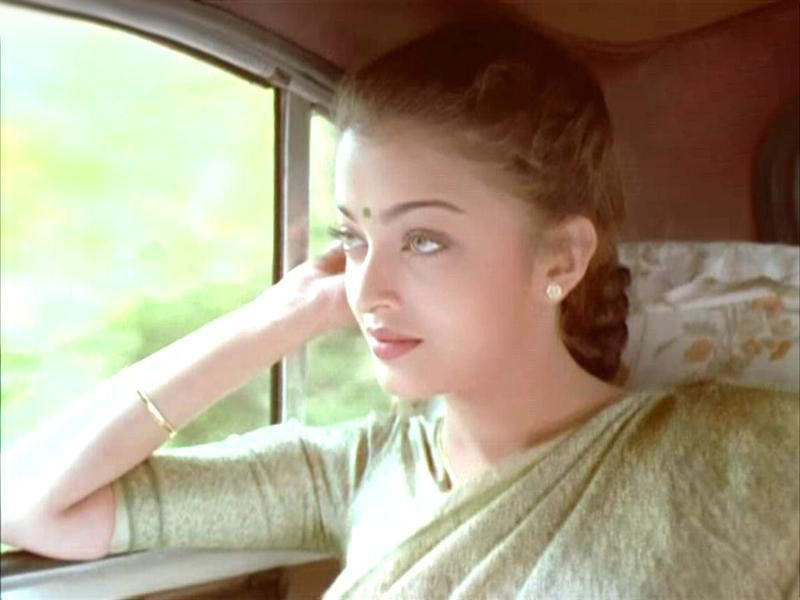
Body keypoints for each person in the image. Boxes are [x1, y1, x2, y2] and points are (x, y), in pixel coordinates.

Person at [2, 10, 797, 599]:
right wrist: (277, 317)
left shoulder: (736, 451)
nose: (367, 289)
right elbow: (32, 504)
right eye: (353, 236)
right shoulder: (353, 470)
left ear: (560, 257)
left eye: (423, 240)